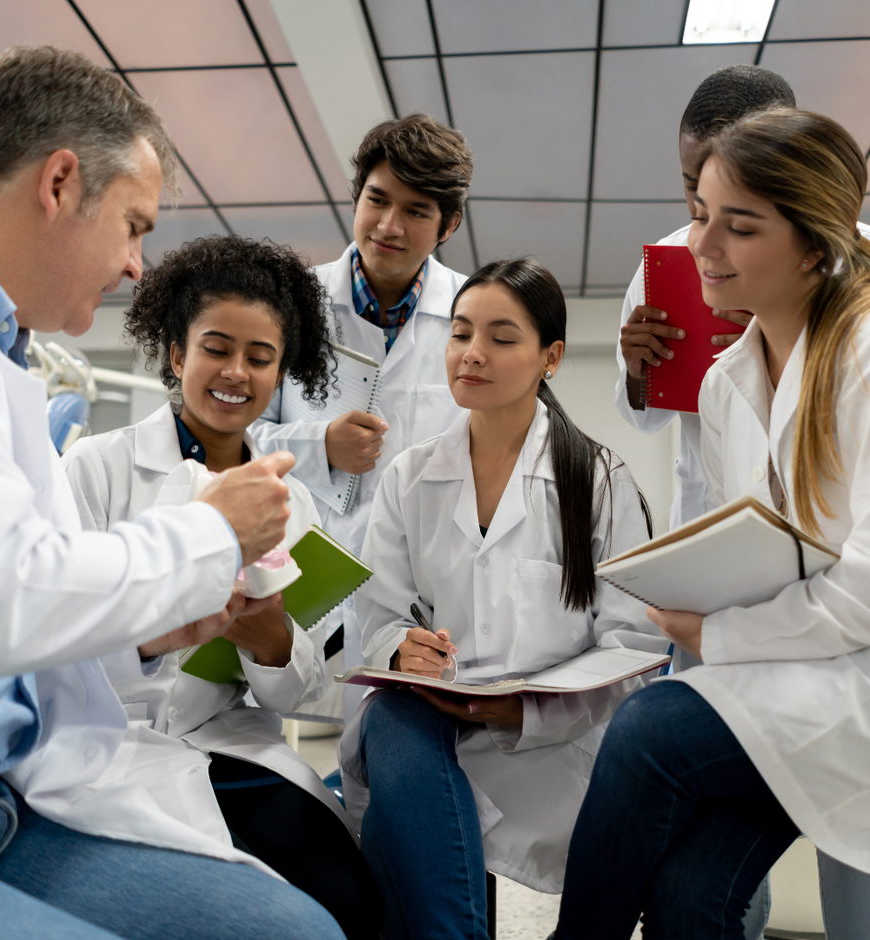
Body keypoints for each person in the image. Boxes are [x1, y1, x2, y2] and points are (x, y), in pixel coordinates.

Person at [0, 46, 344, 940]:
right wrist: (204, 539)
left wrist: (160, 630)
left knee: (307, 926)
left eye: (261, 358)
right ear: (60, 182)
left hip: (24, 781)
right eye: (132, 225)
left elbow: (24, 635)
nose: (132, 264)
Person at [554, 108, 870, 939]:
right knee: (694, 896)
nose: (702, 246)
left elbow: (863, 600)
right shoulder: (728, 381)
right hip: (799, 669)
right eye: (700, 215)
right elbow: (763, 555)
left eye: (739, 226)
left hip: (853, 678)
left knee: (653, 726)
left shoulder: (865, 353)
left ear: (812, 244)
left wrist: (710, 631)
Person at [338, 258, 669, 940]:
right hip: (435, 722)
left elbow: (632, 646)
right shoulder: (410, 476)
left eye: (501, 337)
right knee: (391, 722)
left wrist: (523, 707)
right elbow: (377, 612)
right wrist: (403, 646)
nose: (473, 353)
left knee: (404, 850)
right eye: (460, 333)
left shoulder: (599, 482)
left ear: (550, 357)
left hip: (551, 744)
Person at [63, 234, 381, 940]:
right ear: (177, 354)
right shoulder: (96, 468)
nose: (236, 372)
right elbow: (59, 624)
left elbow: (298, 693)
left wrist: (271, 644)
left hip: (228, 743)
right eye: (216, 348)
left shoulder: (288, 501)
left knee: (348, 901)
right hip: (111, 744)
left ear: (280, 372)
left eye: (260, 357)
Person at [251, 113, 473, 721]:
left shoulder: (470, 312)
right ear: (357, 197)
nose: (389, 225)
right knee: (295, 747)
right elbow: (237, 435)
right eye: (377, 200)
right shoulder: (293, 302)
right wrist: (319, 444)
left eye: (417, 211)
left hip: (420, 592)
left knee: (398, 751)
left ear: (448, 224)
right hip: (308, 574)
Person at [615, 64, 795, 531]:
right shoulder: (669, 262)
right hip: (711, 512)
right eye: (691, 184)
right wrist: (638, 371)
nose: (700, 207)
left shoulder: (855, 259)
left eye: (723, 182)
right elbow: (644, 417)